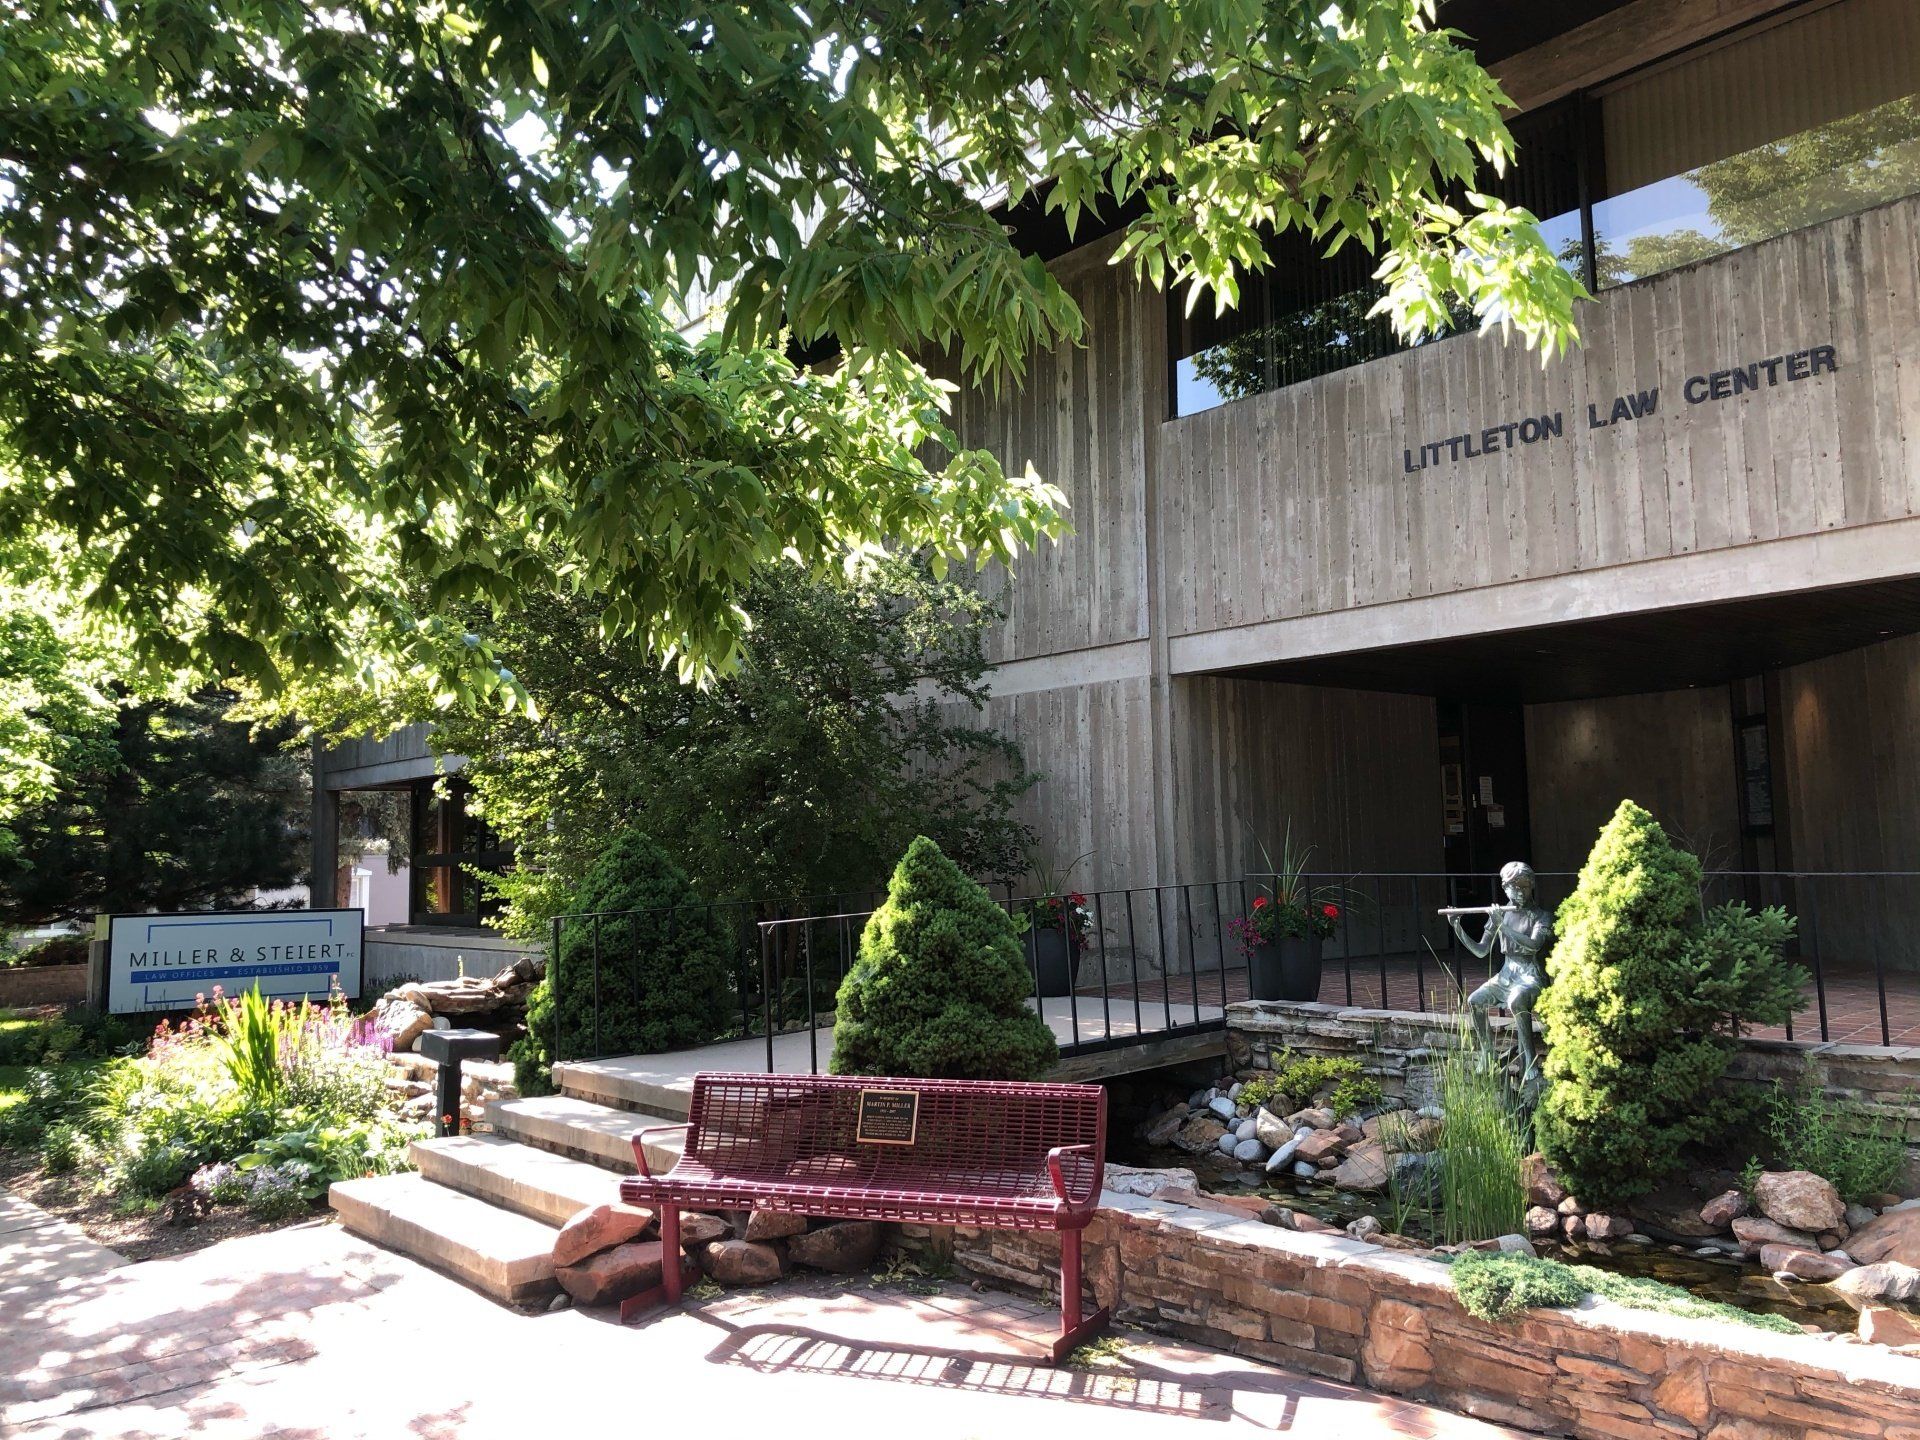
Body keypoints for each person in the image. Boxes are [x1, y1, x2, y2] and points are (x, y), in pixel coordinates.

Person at [1444, 861, 1553, 1085]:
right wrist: (1457, 928)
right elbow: (1481, 951)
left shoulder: (1541, 916)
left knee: (1516, 999)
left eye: (1524, 887)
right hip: (1507, 973)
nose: (1520, 892)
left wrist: (1502, 926)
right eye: (1514, 887)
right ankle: (1487, 1053)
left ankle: (1530, 1061)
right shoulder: (1501, 913)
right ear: (1505, 888)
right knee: (1475, 1000)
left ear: (1531, 886)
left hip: (1530, 974)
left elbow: (1532, 946)